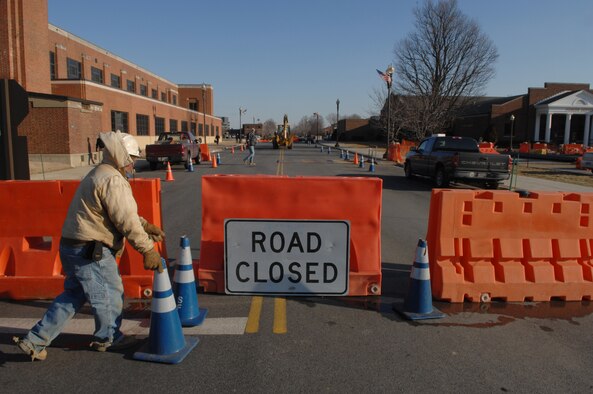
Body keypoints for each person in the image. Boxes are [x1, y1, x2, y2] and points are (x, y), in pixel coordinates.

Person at [13, 131, 165, 361]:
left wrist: (146, 225)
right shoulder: (113, 179)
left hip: (73, 246)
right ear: (121, 155)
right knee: (109, 294)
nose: (133, 163)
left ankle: (35, 340)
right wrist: (147, 249)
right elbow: (125, 220)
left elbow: (116, 214)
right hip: (91, 249)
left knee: (73, 295)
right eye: (131, 157)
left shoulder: (99, 173)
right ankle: (108, 337)